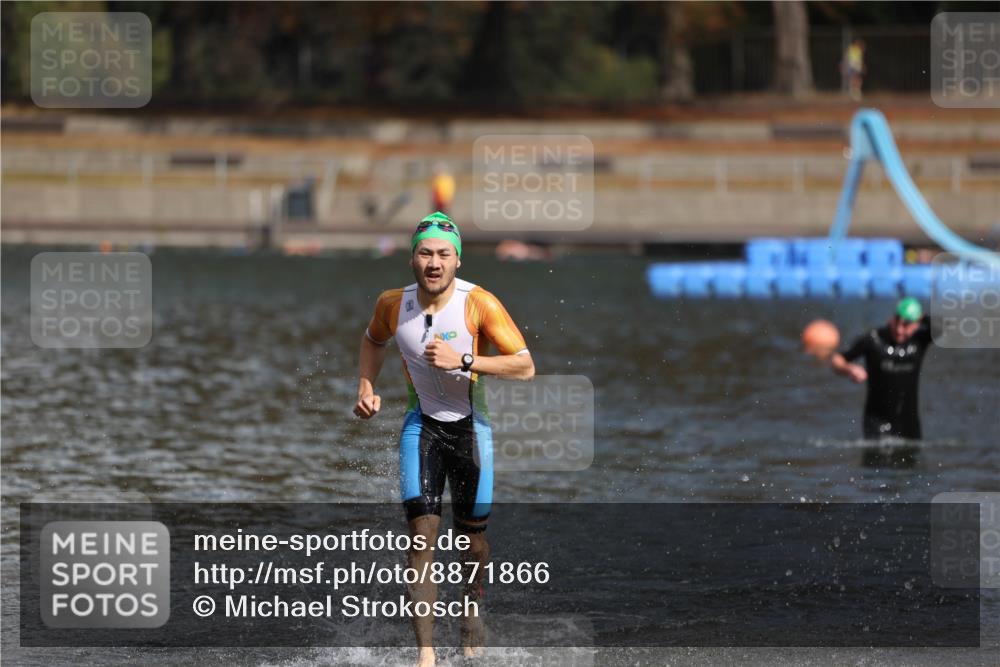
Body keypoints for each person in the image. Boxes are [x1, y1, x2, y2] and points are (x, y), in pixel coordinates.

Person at [354, 211, 534, 666]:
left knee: (472, 545)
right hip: (423, 428)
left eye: (443, 254)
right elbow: (372, 341)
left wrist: (465, 359)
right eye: (425, 253)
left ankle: (471, 636)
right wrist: (366, 387)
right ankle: (427, 658)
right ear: (412, 259)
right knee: (421, 538)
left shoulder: (480, 304)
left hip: (473, 432)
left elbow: (525, 366)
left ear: (457, 260)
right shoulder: (393, 304)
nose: (434, 262)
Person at [829, 297, 932, 465]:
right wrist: (850, 369)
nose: (899, 329)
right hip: (877, 423)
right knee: (878, 472)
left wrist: (923, 317)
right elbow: (837, 360)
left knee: (911, 475)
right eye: (897, 321)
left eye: (906, 325)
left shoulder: (920, 340)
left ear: (917, 324)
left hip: (909, 424)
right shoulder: (873, 339)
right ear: (891, 318)